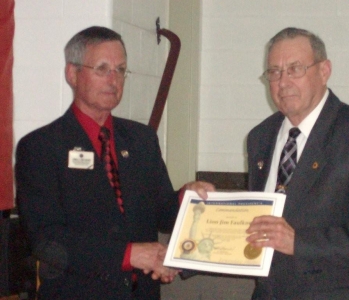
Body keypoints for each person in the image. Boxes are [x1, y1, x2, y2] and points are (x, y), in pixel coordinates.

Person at [15, 26, 214, 300]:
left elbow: (162, 212)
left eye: (121, 70)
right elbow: (47, 241)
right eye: (102, 69)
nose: (114, 80)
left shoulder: (141, 140)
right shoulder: (41, 148)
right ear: (72, 74)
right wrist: (131, 255)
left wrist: (187, 197)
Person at [245, 27, 349, 299]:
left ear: (324, 71)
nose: (283, 82)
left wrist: (300, 243)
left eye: (295, 69)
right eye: (274, 72)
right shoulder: (260, 137)